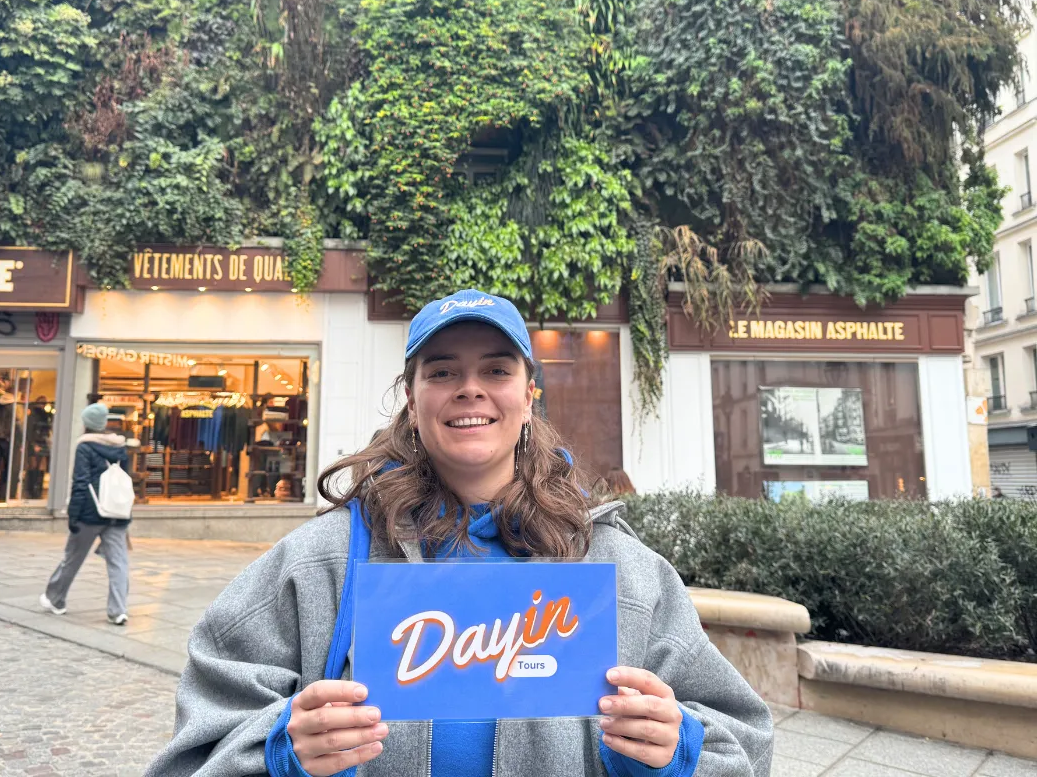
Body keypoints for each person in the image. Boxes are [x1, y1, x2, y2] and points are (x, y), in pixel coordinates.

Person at [146, 289, 773, 777]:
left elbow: (743, 738)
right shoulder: (320, 563)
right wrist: (282, 750)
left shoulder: (618, 569)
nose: (469, 387)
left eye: (496, 370)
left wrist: (677, 748)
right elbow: (195, 747)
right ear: (412, 400)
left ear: (529, 396)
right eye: (441, 372)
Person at [39, 402, 131, 625]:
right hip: (117, 512)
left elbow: (80, 483)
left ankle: (56, 598)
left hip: (90, 512)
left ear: (87, 424)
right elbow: (125, 481)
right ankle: (118, 610)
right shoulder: (120, 447)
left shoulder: (85, 447)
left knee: (73, 557)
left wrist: (74, 515)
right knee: (118, 562)